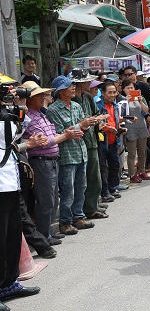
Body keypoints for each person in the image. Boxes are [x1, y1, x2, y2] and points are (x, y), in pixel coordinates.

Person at [0, 95, 41, 310]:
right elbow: (6, 137)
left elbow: (17, 134)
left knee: (12, 237)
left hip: (10, 183)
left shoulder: (7, 116)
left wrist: (20, 109)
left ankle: (8, 283)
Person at [47, 76, 96, 235]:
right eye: (70, 86)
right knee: (68, 190)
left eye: (73, 85)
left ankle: (78, 216)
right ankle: (65, 221)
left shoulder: (76, 105)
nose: (73, 87)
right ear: (61, 91)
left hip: (81, 152)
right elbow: (61, 133)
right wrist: (81, 125)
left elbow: (82, 129)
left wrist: (87, 124)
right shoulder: (53, 110)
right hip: (67, 155)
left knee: (81, 187)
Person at [70, 69, 109, 220]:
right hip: (77, 142)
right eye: (87, 81)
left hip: (91, 140)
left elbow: (94, 114)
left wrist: (98, 121)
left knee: (94, 177)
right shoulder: (72, 100)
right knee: (80, 180)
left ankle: (91, 206)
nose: (90, 83)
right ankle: (84, 209)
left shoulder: (87, 96)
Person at [96, 82, 125, 202]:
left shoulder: (115, 105)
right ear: (103, 93)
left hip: (114, 140)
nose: (113, 95)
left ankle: (113, 187)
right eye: (110, 92)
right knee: (102, 167)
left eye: (114, 92)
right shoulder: (98, 106)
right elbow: (97, 123)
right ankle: (105, 192)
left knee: (115, 165)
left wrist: (120, 129)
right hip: (103, 141)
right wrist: (109, 129)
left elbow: (115, 120)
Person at [120, 79, 150, 183]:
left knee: (142, 152)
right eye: (127, 88)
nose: (130, 90)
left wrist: (140, 101)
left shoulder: (140, 98)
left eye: (132, 88)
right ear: (123, 89)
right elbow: (121, 114)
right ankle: (132, 174)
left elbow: (146, 111)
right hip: (130, 129)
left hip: (141, 127)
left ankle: (142, 171)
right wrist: (127, 101)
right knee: (132, 154)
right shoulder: (122, 101)